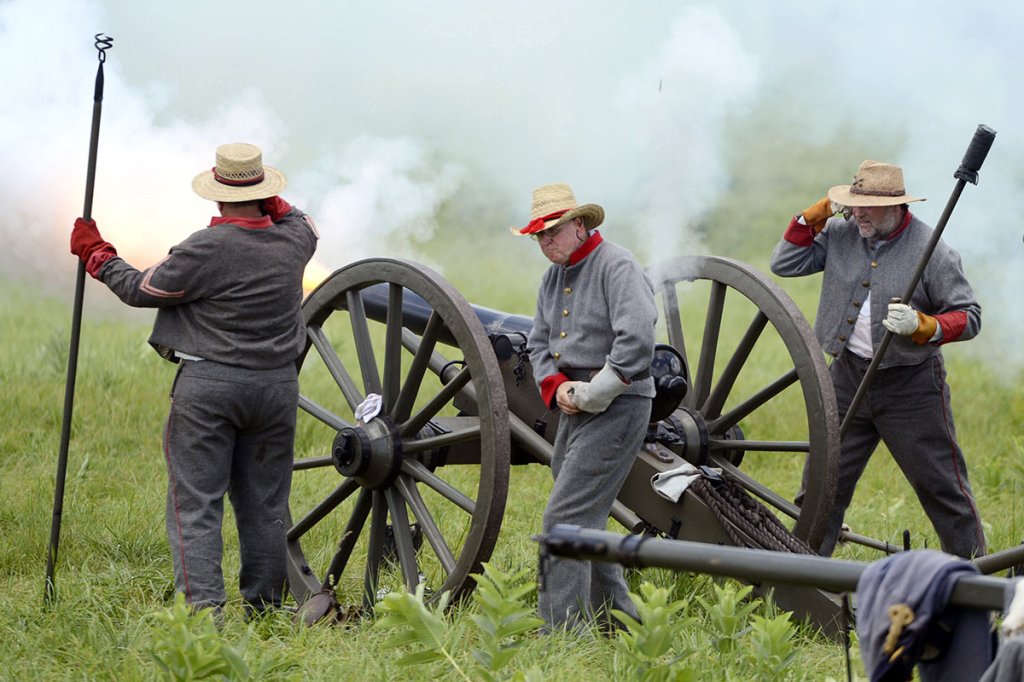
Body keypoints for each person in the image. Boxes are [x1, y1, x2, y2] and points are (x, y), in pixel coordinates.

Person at [69, 142, 319, 614]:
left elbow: (142, 290)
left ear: (217, 193)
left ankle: (205, 612)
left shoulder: (206, 247)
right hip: (276, 387)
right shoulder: (295, 241)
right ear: (264, 192)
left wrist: (97, 255)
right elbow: (305, 221)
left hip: (210, 389)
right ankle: (264, 608)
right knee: (266, 505)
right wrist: (276, 203)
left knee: (196, 504)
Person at [770, 159, 985, 559]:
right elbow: (785, 263)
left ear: (897, 206)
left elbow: (969, 316)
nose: (857, 212)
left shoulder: (933, 251)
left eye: (867, 205)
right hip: (846, 377)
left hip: (911, 387)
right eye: (853, 203)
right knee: (823, 485)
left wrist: (923, 325)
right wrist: (813, 214)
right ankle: (803, 576)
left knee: (942, 489)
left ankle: (978, 581)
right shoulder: (840, 232)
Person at [512, 183, 657, 631]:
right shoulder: (553, 278)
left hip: (620, 404)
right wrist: (555, 387)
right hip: (574, 407)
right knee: (586, 515)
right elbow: (538, 343)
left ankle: (561, 630)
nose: (545, 242)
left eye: (552, 232)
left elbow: (638, 339)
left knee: (565, 517)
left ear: (579, 225)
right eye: (539, 236)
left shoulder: (617, 265)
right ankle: (619, 622)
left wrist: (598, 390)